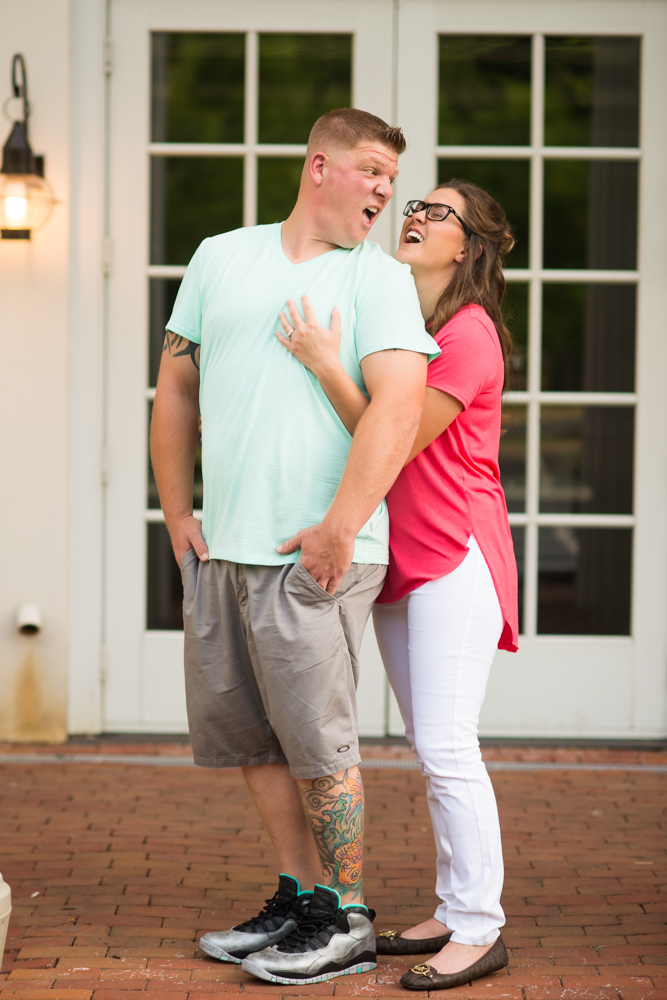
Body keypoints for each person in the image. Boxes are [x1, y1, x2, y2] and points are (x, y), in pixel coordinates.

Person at [150, 107, 439, 986]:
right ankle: (300, 898)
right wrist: (175, 514)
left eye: (393, 176)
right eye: (372, 171)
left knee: (320, 744)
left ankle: (348, 916)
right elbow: (174, 387)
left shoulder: (379, 281)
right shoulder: (218, 257)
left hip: (320, 551)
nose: (386, 190)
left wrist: (342, 524)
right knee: (256, 741)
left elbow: (396, 411)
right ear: (319, 166)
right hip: (228, 547)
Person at [275, 179, 519, 990]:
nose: (414, 215)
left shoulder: (470, 334)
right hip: (404, 559)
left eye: (437, 212)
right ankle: (455, 907)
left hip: (455, 554)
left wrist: (318, 362)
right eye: (415, 203)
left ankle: (481, 927)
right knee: (430, 747)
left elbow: (395, 439)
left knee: (449, 749)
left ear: (470, 246)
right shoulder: (410, 326)